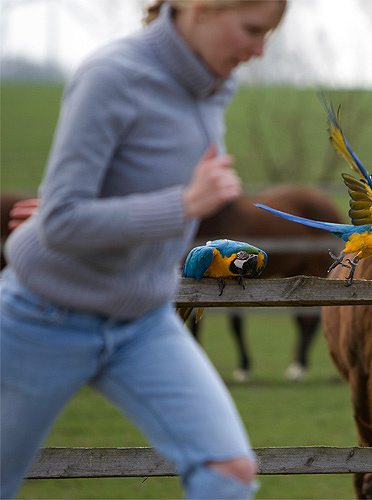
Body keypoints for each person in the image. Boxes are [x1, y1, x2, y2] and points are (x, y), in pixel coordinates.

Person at [0, 0, 286, 498]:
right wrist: (185, 203)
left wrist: (74, 211)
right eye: (251, 30)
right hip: (45, 315)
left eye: (269, 35)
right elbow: (65, 221)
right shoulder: (112, 75)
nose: (259, 50)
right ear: (202, 10)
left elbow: (114, 184)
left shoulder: (216, 86)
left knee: (229, 470)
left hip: (143, 320)